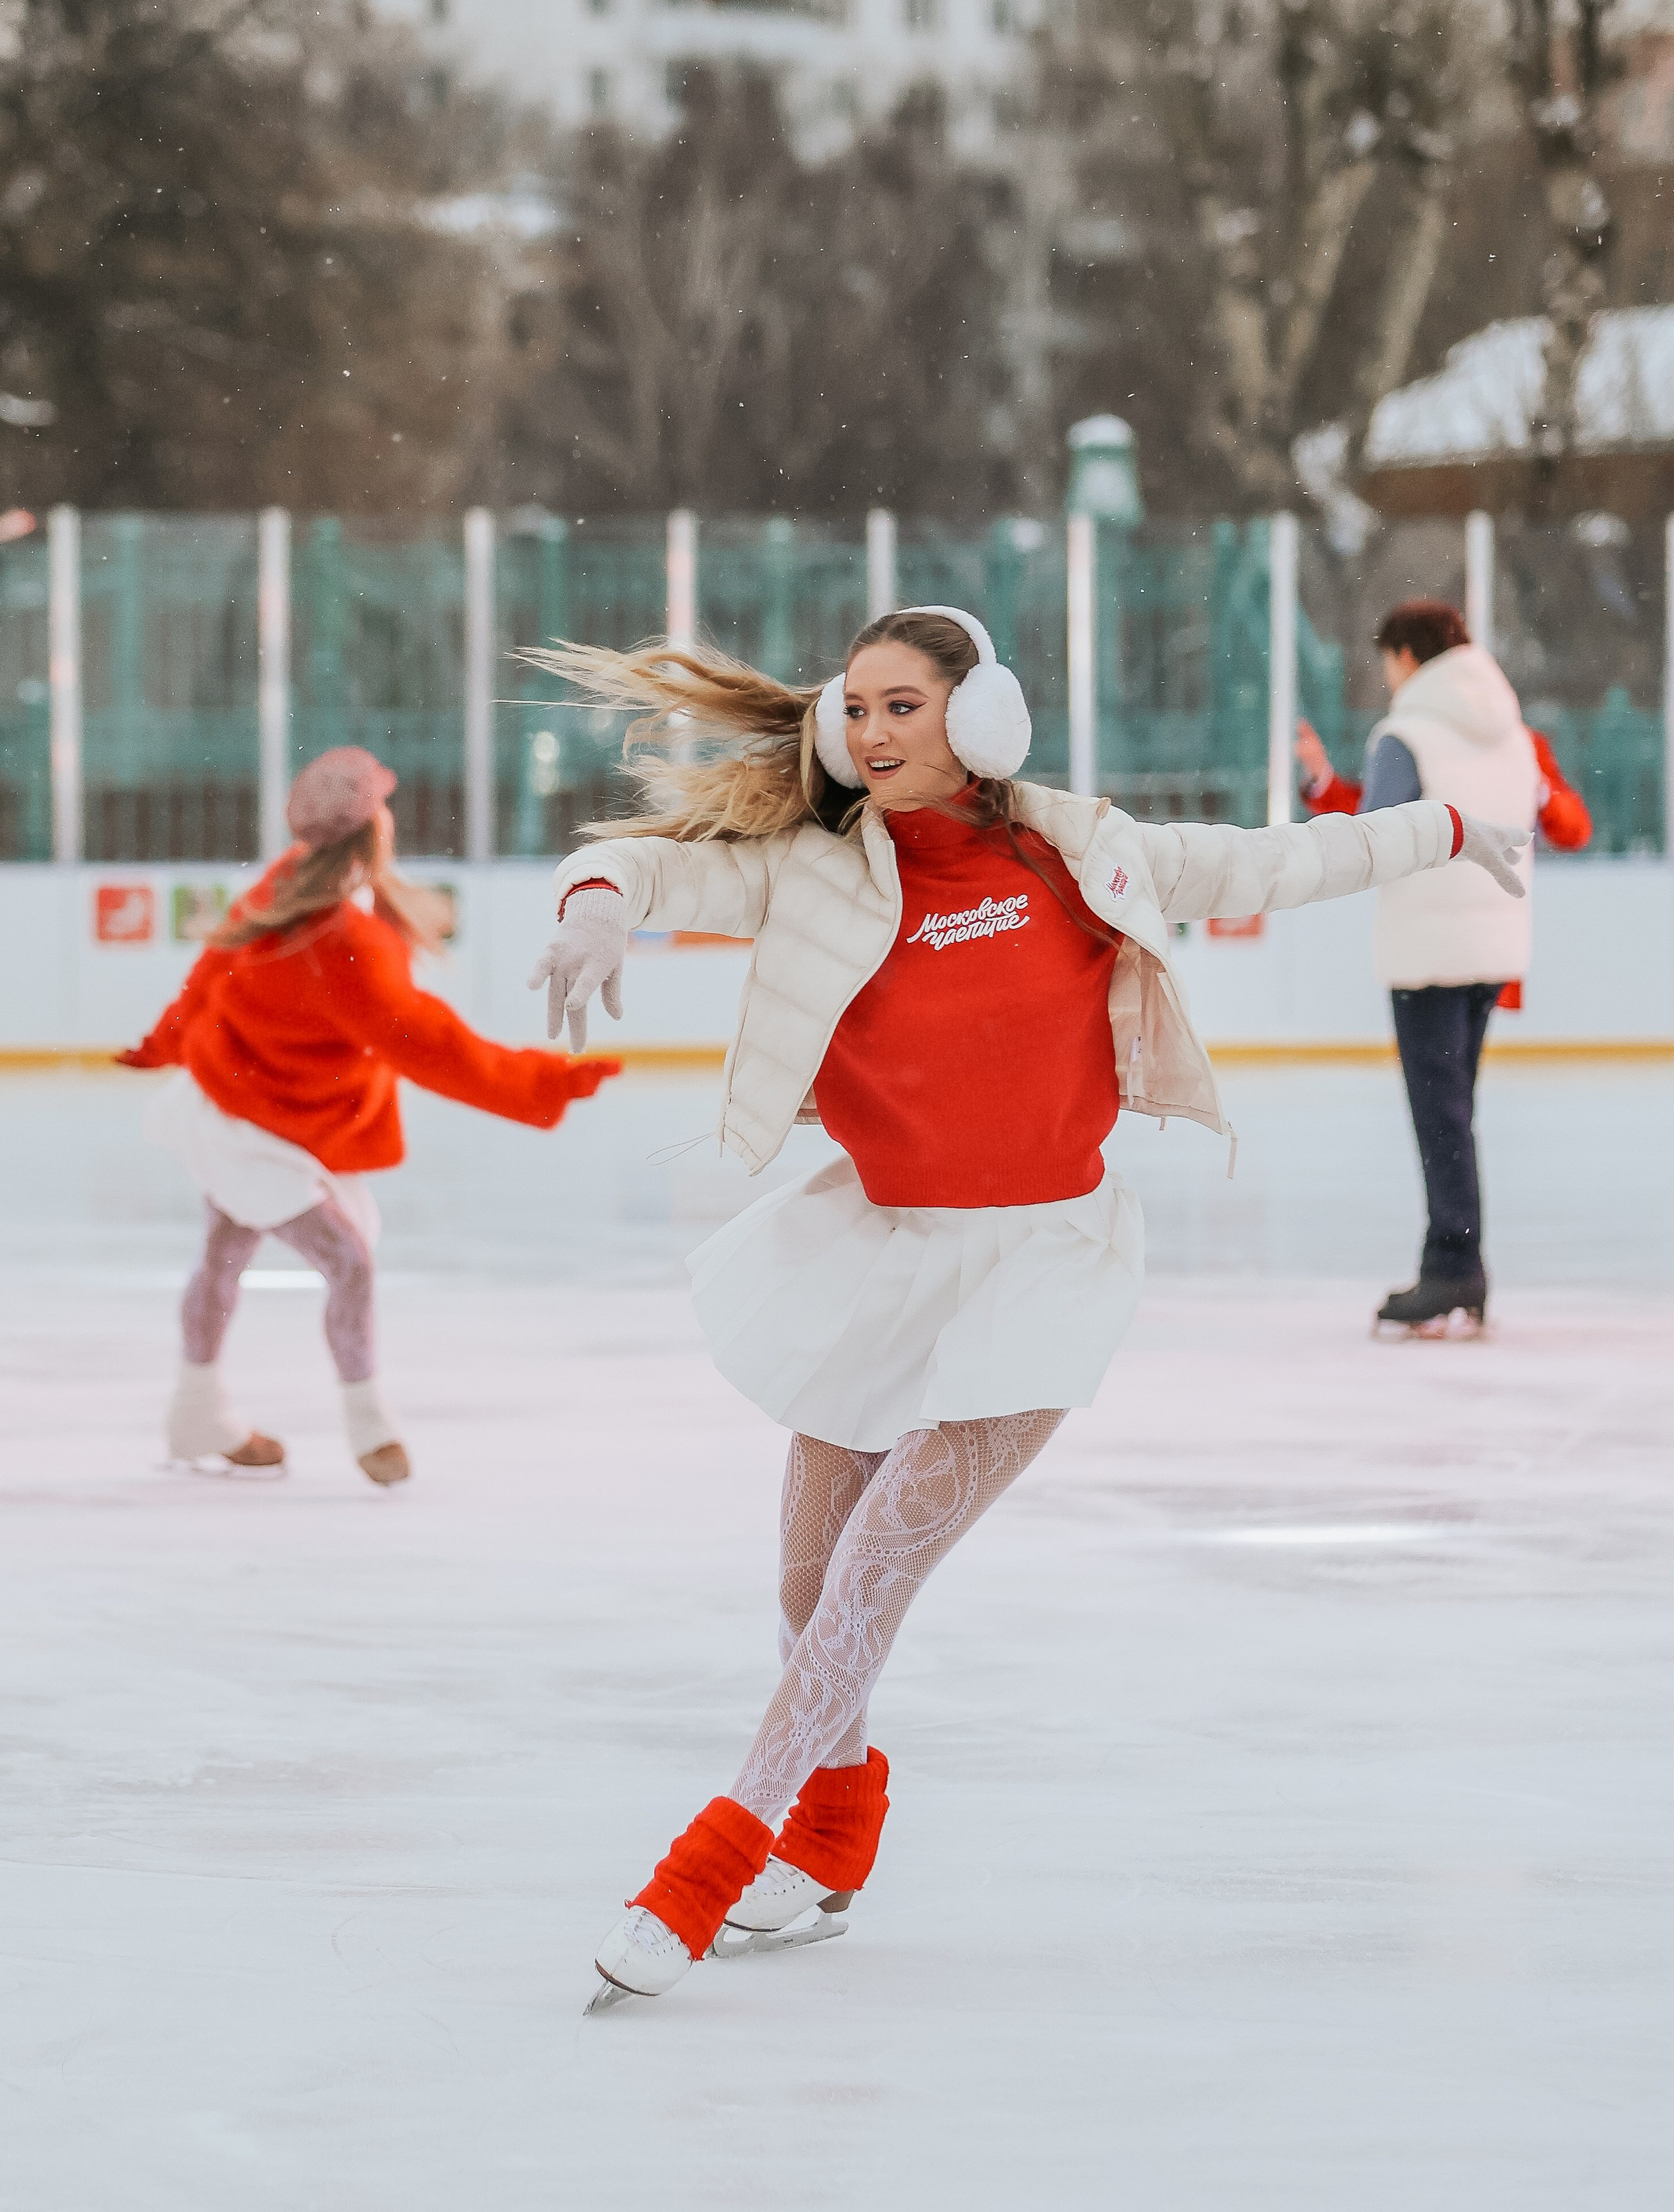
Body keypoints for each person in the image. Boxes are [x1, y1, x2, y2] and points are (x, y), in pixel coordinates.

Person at [526, 608, 1530, 2011]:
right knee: (808, 1593)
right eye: (853, 710)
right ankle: (827, 1843)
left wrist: (1433, 832)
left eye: (901, 706)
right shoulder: (814, 866)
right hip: (876, 1254)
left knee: (865, 1591)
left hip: (1039, 1269)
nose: (872, 734)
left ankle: (703, 1871)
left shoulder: (1080, 849)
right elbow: (642, 861)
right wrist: (593, 903)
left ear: (977, 718)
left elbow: (1278, 857)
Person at [122, 746, 619, 1484]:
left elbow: (207, 978)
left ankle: (197, 1409)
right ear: (369, 833)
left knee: (226, 1254)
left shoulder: (285, 886)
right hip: (254, 1123)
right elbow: (435, 1046)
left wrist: (163, 1043)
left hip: (244, 1099)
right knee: (346, 1262)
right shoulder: (344, 943)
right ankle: (366, 1423)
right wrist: (543, 1083)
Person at [1293, 600, 1591, 1336]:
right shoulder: (1514, 734)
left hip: (1427, 948)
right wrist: (1327, 781)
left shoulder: (1406, 733)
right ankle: (1455, 1261)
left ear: (1405, 656)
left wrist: (1314, 840)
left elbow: (1380, 833)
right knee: (1454, 1113)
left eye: (1387, 659)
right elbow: (1554, 823)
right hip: (1492, 948)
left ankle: (1454, 1267)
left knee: (1441, 1117)